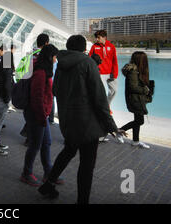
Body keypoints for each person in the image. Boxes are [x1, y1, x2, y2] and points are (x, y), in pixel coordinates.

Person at [38, 35, 126, 204]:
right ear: (84, 49)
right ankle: (82, 201)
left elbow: (55, 90)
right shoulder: (88, 64)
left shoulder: (61, 64)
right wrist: (112, 127)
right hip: (87, 125)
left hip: (68, 121)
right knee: (87, 164)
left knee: (68, 152)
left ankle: (48, 184)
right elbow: (100, 100)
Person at [20, 44, 59, 186]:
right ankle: (26, 173)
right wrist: (42, 117)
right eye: (55, 57)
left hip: (42, 114)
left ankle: (48, 173)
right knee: (35, 145)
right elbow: (37, 97)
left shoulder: (42, 69)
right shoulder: (41, 72)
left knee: (46, 143)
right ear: (49, 57)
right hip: (37, 114)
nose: (56, 60)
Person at [17, 33, 50, 145]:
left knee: (31, 111)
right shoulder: (45, 56)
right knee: (37, 112)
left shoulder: (29, 54)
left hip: (26, 87)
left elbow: (19, 72)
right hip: (38, 86)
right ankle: (31, 137)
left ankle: (29, 136)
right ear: (46, 43)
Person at [88, 30, 119, 143]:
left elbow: (115, 60)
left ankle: (107, 104)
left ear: (104, 37)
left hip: (110, 73)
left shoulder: (111, 46)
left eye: (98, 37)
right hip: (99, 73)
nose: (96, 39)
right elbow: (90, 58)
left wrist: (114, 74)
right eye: (96, 38)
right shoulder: (94, 47)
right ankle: (104, 106)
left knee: (114, 91)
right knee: (99, 92)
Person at [119, 51, 152, 149]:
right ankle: (120, 130)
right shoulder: (133, 71)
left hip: (136, 98)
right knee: (140, 121)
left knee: (137, 120)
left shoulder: (136, 70)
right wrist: (145, 90)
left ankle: (135, 141)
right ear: (141, 60)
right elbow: (132, 87)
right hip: (134, 99)